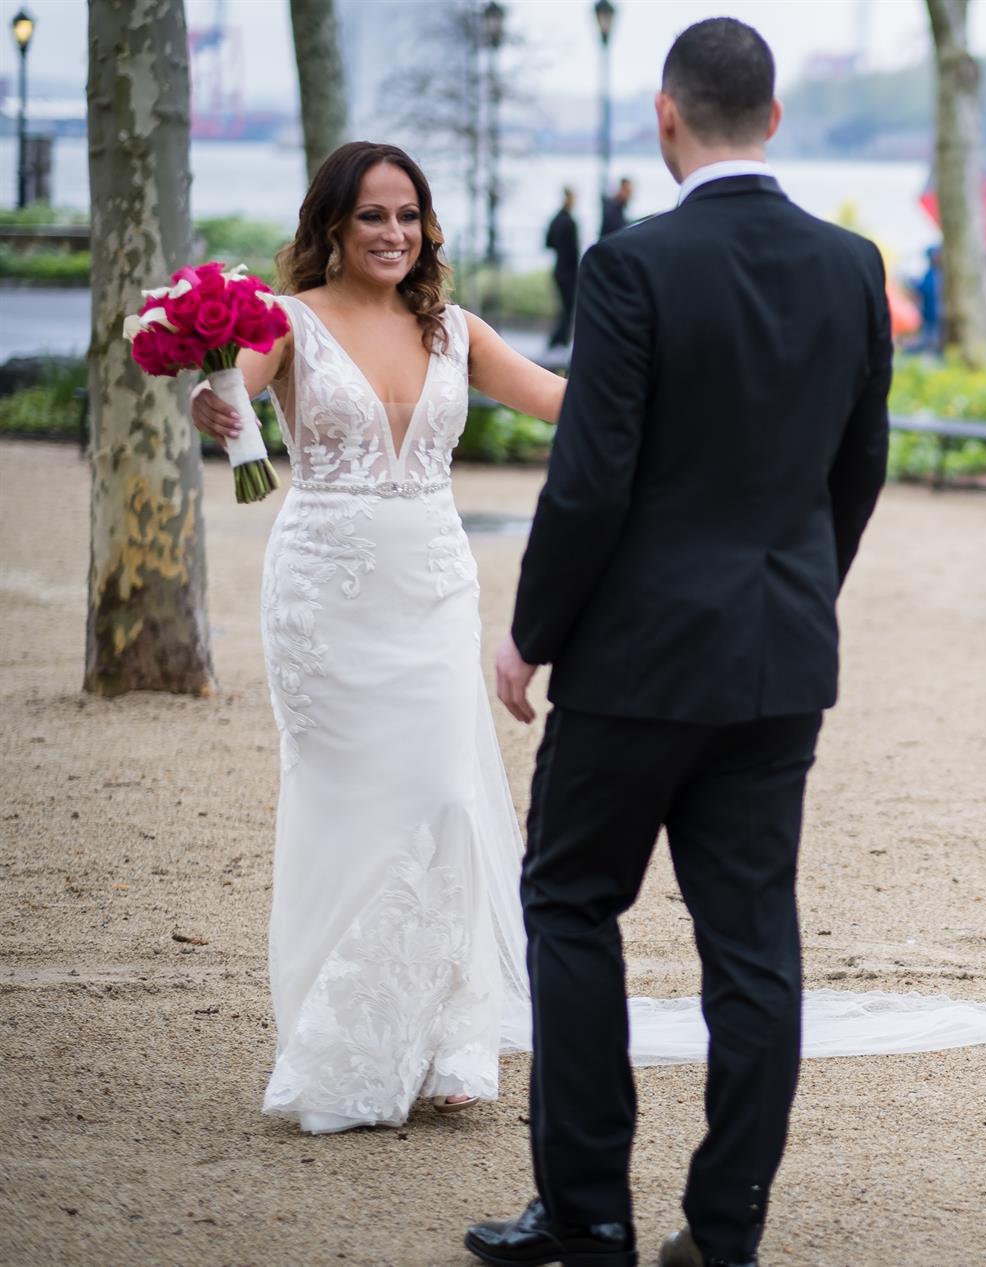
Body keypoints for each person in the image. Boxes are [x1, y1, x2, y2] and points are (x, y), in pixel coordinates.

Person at [465, 19, 893, 1267]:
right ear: (774, 118)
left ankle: (588, 1212)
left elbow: (591, 477)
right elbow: (860, 465)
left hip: (637, 665)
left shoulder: (631, 264)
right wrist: (798, 592)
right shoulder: (850, 264)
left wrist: (532, 633)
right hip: (778, 659)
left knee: (570, 901)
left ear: (666, 116)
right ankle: (725, 1228)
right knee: (753, 945)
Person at [187, 141, 568, 1135]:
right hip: (326, 596)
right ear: (332, 225)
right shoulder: (287, 322)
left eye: (407, 215)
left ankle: (449, 1043)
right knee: (345, 807)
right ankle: (340, 1050)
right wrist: (218, 405)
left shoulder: (455, 330)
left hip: (434, 592)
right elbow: (234, 396)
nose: (393, 233)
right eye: (372, 215)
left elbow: (565, 402)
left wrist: (677, 370)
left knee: (446, 796)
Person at [545, 186, 580, 350]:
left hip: (559, 268)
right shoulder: (569, 222)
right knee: (568, 308)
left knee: (565, 308)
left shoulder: (556, 219)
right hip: (568, 271)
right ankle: (559, 340)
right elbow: (573, 251)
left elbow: (548, 242)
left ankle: (559, 339)